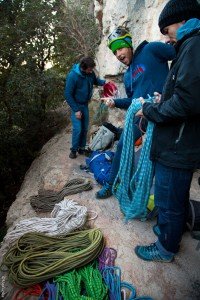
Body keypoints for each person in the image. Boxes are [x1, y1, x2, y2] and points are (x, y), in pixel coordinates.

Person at [135, 0, 200, 262]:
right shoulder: (190, 46)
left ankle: (165, 248)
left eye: (167, 27)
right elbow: (187, 93)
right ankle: (168, 229)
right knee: (168, 196)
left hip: (177, 146)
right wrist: (165, 98)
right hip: (177, 142)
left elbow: (187, 102)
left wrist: (151, 110)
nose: (165, 34)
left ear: (183, 21)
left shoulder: (194, 45)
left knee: (169, 200)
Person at [96, 26, 176, 199]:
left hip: (163, 111)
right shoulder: (127, 77)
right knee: (123, 144)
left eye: (120, 48)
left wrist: (175, 42)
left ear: (129, 44)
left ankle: (160, 194)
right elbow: (133, 102)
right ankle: (111, 183)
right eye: (114, 52)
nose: (118, 54)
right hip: (141, 117)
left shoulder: (151, 50)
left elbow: (181, 55)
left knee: (160, 155)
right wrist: (114, 102)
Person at [65, 57, 106, 159]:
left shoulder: (90, 73)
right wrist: (76, 110)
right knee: (78, 128)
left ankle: (81, 148)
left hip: (85, 104)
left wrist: (105, 82)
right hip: (76, 105)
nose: (91, 71)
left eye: (92, 69)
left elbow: (95, 81)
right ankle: (74, 150)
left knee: (85, 128)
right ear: (83, 68)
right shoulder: (73, 76)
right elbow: (68, 94)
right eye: (89, 69)